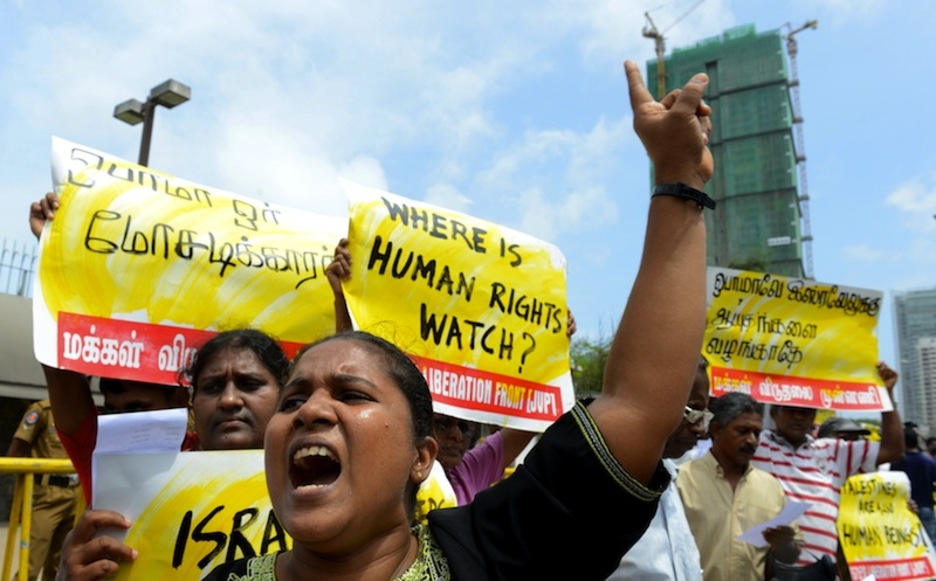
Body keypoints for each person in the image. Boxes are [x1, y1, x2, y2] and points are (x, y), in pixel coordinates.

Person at [195, 59, 715, 580]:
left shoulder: (491, 555)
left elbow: (638, 407)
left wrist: (679, 180)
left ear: (422, 459)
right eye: (292, 400)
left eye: (351, 394)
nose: (310, 411)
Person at [326, 236, 543, 507]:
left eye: (465, 428)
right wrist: (343, 298)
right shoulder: (386, 467)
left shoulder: (470, 470)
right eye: (442, 423)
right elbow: (352, 381)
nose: (456, 436)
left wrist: (551, 342)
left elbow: (530, 421)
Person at [751, 361, 905, 568]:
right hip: (765, 569)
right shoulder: (756, 445)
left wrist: (886, 395)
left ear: (814, 415)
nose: (798, 416)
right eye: (790, 409)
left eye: (805, 411)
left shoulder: (834, 451)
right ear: (773, 413)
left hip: (821, 571)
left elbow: (893, 450)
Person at [677, 392, 801, 580]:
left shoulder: (770, 487)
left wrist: (785, 543)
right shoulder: (682, 481)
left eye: (756, 433)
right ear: (717, 430)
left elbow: (791, 556)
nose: (752, 440)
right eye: (743, 431)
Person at [608, 356, 711, 581]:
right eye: (693, 411)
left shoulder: (668, 476)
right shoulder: (594, 487)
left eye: (704, 415)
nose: (701, 430)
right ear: (649, 400)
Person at [6, 399, 80, 581]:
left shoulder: (84, 411)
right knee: (30, 566)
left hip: (76, 494)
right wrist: (22, 494)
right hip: (47, 494)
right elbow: (15, 452)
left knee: (60, 568)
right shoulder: (43, 410)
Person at [891, 422, 936, 544]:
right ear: (917, 441)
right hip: (926, 506)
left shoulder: (896, 462)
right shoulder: (929, 461)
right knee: (931, 542)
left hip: (905, 508)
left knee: (911, 544)